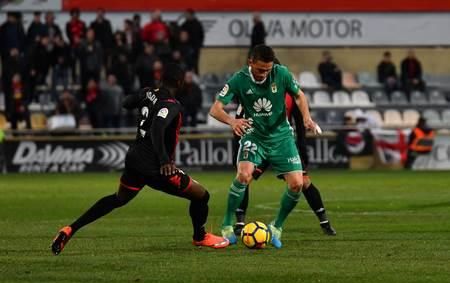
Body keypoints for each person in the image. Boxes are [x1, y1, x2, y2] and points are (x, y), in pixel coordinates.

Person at [51, 63, 229, 255]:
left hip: (134, 159)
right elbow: (157, 128)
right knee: (202, 195)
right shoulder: (172, 104)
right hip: (155, 167)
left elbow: (127, 102)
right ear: (179, 82)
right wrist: (164, 161)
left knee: (118, 198)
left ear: (161, 79)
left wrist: (145, 96)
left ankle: (70, 229)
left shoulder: (148, 93)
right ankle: (200, 237)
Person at [209, 45, 319, 248]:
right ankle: (226, 225)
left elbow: (300, 96)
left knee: (297, 184)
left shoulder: (282, 73)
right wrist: (233, 122)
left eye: (268, 70)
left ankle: (276, 227)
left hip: (282, 137)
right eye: (261, 70)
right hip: (254, 135)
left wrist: (306, 118)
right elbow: (215, 109)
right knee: (244, 176)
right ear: (250, 62)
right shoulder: (238, 79)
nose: (264, 74)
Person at [233, 90, 336, 236]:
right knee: (245, 178)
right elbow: (238, 121)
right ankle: (239, 223)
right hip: (258, 144)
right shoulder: (250, 92)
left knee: (303, 181)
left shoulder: (290, 96)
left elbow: (299, 125)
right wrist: (238, 147)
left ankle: (325, 223)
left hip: (282, 145)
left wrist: (302, 150)